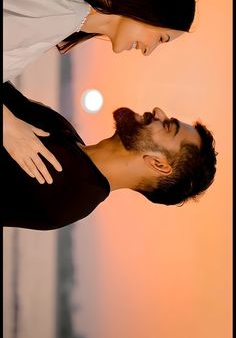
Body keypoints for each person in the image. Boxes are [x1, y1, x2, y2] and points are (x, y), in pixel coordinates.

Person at [3, 0, 196, 180]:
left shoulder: (67, 3)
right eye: (161, 38)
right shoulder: (63, 11)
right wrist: (9, 128)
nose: (149, 50)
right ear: (150, 9)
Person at [2, 82, 217, 231]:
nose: (158, 112)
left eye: (168, 126)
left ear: (158, 164)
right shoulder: (69, 140)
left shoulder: (63, 186)